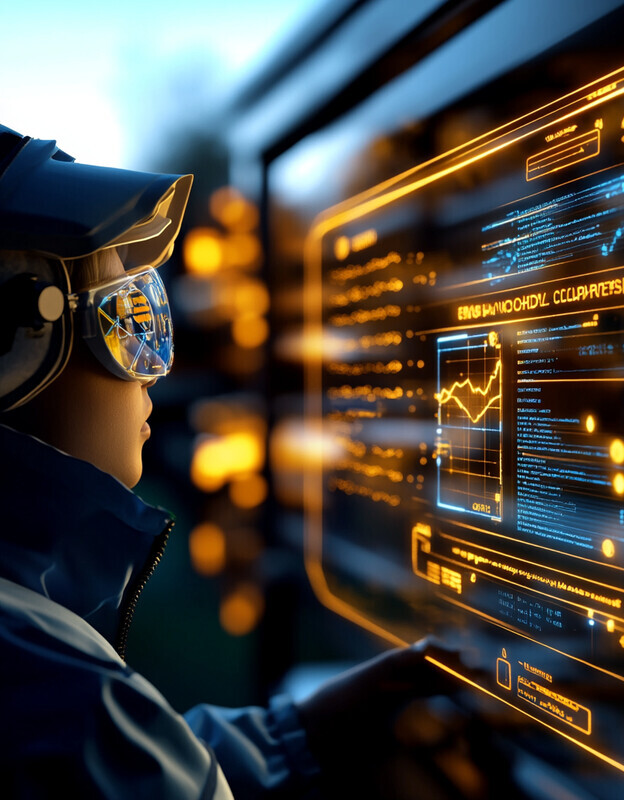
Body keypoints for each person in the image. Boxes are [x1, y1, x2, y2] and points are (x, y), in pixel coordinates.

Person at [0, 124, 455, 798]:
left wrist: (293, 738)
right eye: (129, 321)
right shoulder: (54, 689)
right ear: (15, 345)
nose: (153, 371)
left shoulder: (37, 664)